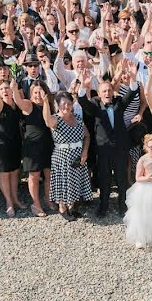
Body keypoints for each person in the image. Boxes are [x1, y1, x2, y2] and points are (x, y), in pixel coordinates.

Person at [77, 67, 139, 218]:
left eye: (109, 90)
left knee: (121, 178)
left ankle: (122, 205)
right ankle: (103, 206)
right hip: (103, 150)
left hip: (120, 149)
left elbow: (131, 93)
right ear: (99, 94)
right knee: (104, 179)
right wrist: (84, 85)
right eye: (103, 91)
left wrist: (133, 78)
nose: (107, 93)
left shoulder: (118, 103)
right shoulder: (95, 106)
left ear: (113, 91)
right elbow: (82, 101)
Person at [0, 65, 26, 216]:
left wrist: (15, 73)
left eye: (7, 88)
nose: (5, 91)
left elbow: (14, 85)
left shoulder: (16, 104)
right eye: (2, 90)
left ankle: (15, 198)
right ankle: (9, 202)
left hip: (16, 142)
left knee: (15, 172)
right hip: (2, 144)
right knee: (5, 173)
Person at [44, 91, 92, 221]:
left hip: (78, 155)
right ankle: (62, 208)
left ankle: (72, 207)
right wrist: (45, 103)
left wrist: (85, 152)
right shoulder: (55, 119)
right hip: (62, 157)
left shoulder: (77, 117)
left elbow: (87, 136)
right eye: (63, 104)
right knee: (63, 182)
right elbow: (47, 120)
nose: (66, 106)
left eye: (69, 103)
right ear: (58, 105)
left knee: (75, 181)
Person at [13, 80, 54, 218]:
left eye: (40, 92)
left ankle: (48, 200)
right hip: (33, 146)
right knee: (34, 176)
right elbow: (18, 101)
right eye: (35, 92)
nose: (38, 95)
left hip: (48, 144)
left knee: (49, 174)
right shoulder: (29, 105)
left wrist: (46, 101)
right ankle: (36, 204)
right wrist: (14, 88)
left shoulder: (49, 105)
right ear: (31, 94)